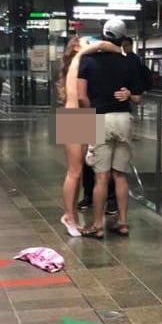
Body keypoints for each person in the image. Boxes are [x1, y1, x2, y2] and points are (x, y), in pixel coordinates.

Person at [77, 18, 142, 238]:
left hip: (99, 118)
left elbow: (81, 97)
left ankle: (97, 225)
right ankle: (122, 223)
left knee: (101, 177)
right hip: (124, 118)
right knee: (120, 175)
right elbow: (137, 98)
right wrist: (129, 95)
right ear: (123, 39)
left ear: (102, 35)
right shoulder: (130, 62)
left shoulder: (87, 61)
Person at [57, 36, 123, 237]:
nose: (92, 43)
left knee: (77, 171)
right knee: (74, 172)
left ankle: (72, 215)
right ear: (77, 47)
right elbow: (103, 45)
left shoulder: (80, 62)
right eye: (87, 41)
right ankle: (69, 216)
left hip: (77, 117)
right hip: (76, 117)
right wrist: (118, 50)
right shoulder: (79, 60)